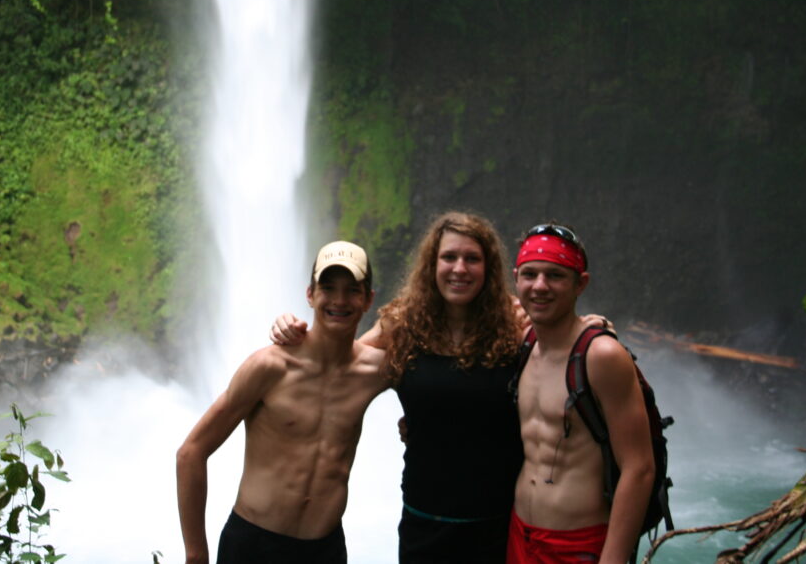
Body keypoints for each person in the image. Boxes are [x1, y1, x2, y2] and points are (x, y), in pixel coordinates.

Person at [273, 212, 604, 563]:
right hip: (424, 519)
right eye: (449, 257)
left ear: (488, 269)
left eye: (472, 259)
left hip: (496, 522)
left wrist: (589, 328)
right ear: (432, 265)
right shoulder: (404, 323)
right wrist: (293, 330)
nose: (459, 268)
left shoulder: (514, 322)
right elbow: (340, 362)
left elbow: (562, 347)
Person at [176, 240, 387, 564]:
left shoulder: (378, 371)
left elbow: (433, 378)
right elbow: (191, 452)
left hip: (325, 550)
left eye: (353, 290)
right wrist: (195, 555)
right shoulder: (269, 367)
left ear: (368, 299)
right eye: (328, 288)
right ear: (310, 294)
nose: (339, 300)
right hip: (253, 545)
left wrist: (415, 424)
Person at [508, 223, 654, 564]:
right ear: (516, 279)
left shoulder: (601, 355)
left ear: (580, 284)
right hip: (519, 534)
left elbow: (639, 467)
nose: (540, 286)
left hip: (578, 543)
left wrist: (613, 557)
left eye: (555, 276)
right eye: (530, 274)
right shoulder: (523, 344)